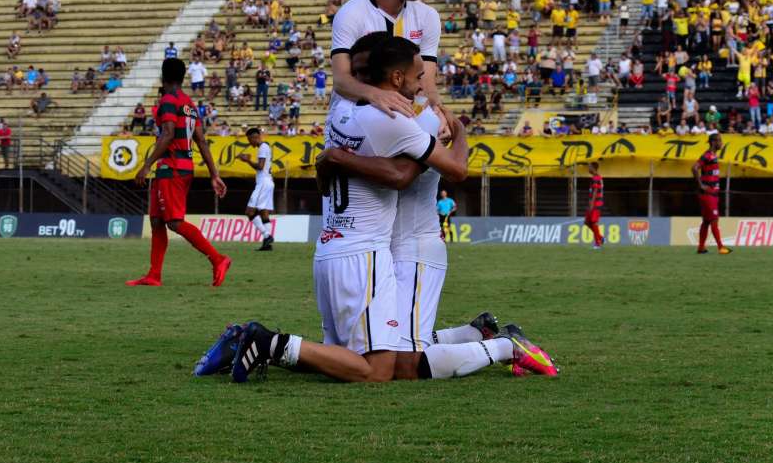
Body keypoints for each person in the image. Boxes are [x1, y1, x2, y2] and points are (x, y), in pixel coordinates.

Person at [204, 35, 556, 384]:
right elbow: (429, 172)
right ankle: (504, 347)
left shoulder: (340, 111)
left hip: (343, 248)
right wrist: (458, 129)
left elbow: (334, 177)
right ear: (396, 77)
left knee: (372, 359)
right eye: (419, 77)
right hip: (372, 252)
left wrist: (335, 157)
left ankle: (477, 333)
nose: (424, 88)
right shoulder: (402, 120)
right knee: (391, 367)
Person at [128, 58, 231, 287]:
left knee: (174, 222)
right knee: (156, 220)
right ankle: (154, 275)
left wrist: (146, 165)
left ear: (163, 77)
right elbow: (202, 141)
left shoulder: (168, 101)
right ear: (184, 77)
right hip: (181, 167)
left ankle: (218, 258)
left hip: (171, 167)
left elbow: (167, 133)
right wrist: (214, 174)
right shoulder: (189, 105)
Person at [329, 0, 442, 123]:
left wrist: (438, 113)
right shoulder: (351, 14)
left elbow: (426, 83)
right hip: (352, 122)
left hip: (402, 120)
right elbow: (341, 81)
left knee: (437, 129)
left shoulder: (428, 16)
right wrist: (377, 95)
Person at [693, 132, 732, 255]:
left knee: (706, 221)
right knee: (714, 219)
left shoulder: (713, 156)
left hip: (712, 193)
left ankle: (701, 247)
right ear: (714, 142)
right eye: (719, 141)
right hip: (708, 193)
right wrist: (700, 185)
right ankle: (721, 247)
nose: (721, 143)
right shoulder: (707, 156)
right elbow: (694, 168)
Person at [238, 128, 275, 251]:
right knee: (264, 212)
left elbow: (260, 166)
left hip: (263, 183)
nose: (250, 143)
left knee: (249, 212)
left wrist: (247, 160)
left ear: (255, 137)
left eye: (249, 140)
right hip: (268, 181)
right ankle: (267, 244)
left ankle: (267, 236)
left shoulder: (263, 147)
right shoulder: (265, 147)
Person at [584, 161, 604, 249]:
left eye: (589, 167)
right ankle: (600, 237)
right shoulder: (597, 177)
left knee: (594, 222)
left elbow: (595, 191)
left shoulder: (596, 178)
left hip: (596, 203)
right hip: (593, 203)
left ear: (593, 168)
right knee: (587, 222)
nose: (588, 169)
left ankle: (598, 243)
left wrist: (591, 204)